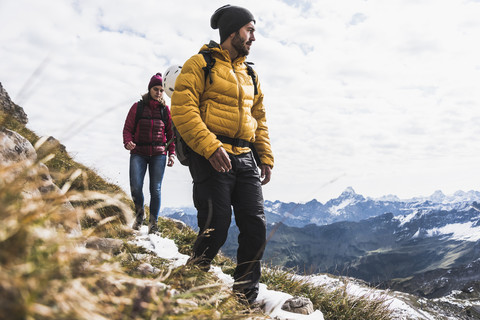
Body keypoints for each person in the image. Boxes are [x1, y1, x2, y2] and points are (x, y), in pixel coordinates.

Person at [171, 5, 274, 304]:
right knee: (216, 228)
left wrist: (265, 156)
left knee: (256, 227)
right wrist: (210, 146)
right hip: (211, 155)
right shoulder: (199, 64)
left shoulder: (250, 74)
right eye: (249, 30)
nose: (253, 37)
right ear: (233, 31)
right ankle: (191, 278)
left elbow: (259, 118)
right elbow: (183, 110)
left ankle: (244, 297)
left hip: (245, 158)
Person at [123, 73, 175, 234]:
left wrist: (171, 153)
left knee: (156, 189)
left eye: (161, 90)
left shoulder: (165, 111)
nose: (158, 92)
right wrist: (128, 142)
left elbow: (171, 135)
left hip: (159, 154)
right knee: (136, 187)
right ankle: (140, 216)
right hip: (138, 153)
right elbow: (127, 129)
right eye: (155, 89)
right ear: (150, 89)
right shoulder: (137, 107)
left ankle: (153, 224)